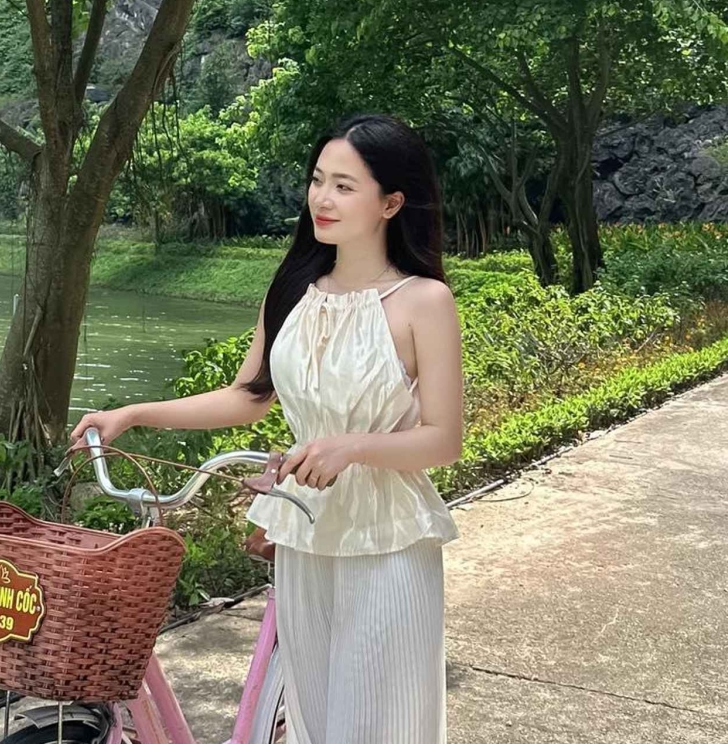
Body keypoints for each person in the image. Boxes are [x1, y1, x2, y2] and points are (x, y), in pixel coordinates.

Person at [69, 113, 464, 744]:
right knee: (316, 720)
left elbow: (444, 439)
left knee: (379, 724)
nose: (322, 198)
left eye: (344, 186)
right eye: (317, 180)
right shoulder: (293, 288)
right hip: (305, 535)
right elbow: (247, 397)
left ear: (391, 203)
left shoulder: (424, 302)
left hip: (388, 543)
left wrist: (350, 448)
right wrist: (134, 414)